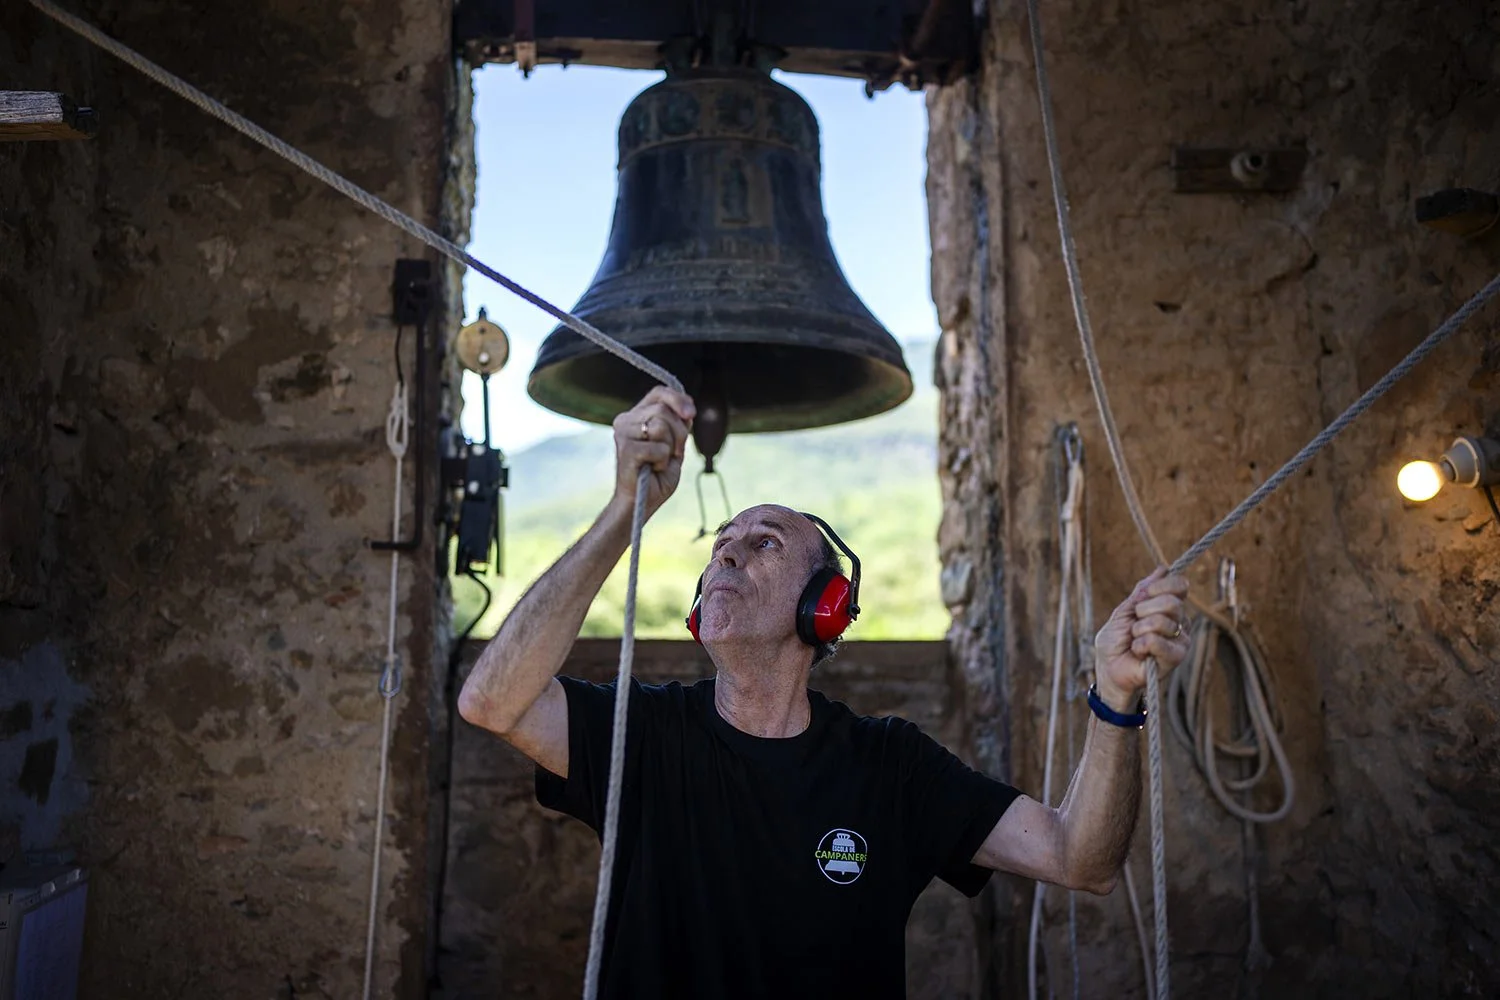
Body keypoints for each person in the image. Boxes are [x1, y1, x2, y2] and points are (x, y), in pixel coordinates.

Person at [459, 387, 1191, 999]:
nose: (728, 553)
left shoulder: (891, 768)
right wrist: (626, 511)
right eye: (720, 544)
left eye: (765, 542)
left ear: (825, 607)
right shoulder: (643, 732)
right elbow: (491, 702)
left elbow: (1079, 859)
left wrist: (1116, 697)